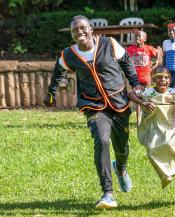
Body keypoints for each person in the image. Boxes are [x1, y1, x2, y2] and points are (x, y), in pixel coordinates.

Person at [43, 15, 141, 209]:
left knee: (122, 148)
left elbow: (126, 61)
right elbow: (58, 73)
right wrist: (51, 93)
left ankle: (120, 168)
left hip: (119, 101)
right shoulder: (69, 54)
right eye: (74, 31)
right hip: (93, 104)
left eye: (82, 28)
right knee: (102, 140)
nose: (79, 32)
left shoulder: (109, 44)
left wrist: (136, 84)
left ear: (91, 29)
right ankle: (108, 193)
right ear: (72, 35)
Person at [128, 66, 175, 189]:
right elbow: (131, 94)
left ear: (170, 79)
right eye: (159, 77)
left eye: (166, 77)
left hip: (172, 126)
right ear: (153, 79)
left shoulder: (174, 92)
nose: (163, 80)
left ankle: (173, 170)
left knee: (170, 144)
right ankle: (165, 175)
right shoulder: (148, 92)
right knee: (151, 150)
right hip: (154, 126)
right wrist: (143, 103)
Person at [126, 30, 160, 126]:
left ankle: (149, 118)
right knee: (137, 99)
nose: (136, 38)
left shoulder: (148, 48)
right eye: (135, 36)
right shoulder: (130, 49)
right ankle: (138, 121)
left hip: (146, 78)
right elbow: (123, 57)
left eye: (138, 36)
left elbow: (159, 50)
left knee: (148, 97)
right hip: (135, 79)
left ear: (144, 39)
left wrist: (157, 62)